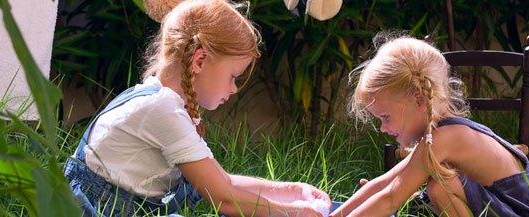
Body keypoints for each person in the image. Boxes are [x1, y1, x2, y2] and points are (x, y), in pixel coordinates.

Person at [63, 0, 330, 216]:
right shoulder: (161, 108)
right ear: (199, 61)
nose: (234, 88)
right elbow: (223, 198)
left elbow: (222, 182)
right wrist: (295, 213)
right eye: (233, 77)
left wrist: (293, 191)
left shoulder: (161, 100)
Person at [330, 33, 529, 217]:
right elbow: (386, 181)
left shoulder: (446, 138)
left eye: (385, 117)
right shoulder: (441, 133)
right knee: (440, 181)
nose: (382, 127)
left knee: (439, 186)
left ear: (419, 100)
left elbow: (391, 197)